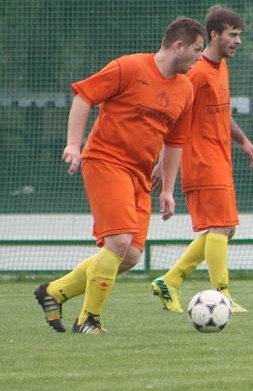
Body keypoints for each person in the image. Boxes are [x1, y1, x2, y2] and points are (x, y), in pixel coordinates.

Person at [33, 17, 206, 334]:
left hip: (139, 175)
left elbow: (175, 142)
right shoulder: (129, 67)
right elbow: (83, 96)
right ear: (178, 46)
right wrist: (74, 144)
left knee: (130, 256)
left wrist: (167, 190)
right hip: (105, 161)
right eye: (197, 49)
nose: (199, 57)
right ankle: (89, 320)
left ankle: (53, 293)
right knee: (118, 242)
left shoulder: (186, 89)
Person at [151, 6, 253, 313]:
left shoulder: (220, 67)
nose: (238, 41)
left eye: (239, 35)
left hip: (220, 157)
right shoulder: (196, 73)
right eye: (233, 35)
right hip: (200, 159)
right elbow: (174, 116)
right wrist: (163, 161)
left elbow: (222, 112)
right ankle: (221, 295)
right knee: (221, 226)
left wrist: (243, 141)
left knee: (225, 229)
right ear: (214, 35)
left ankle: (169, 281)